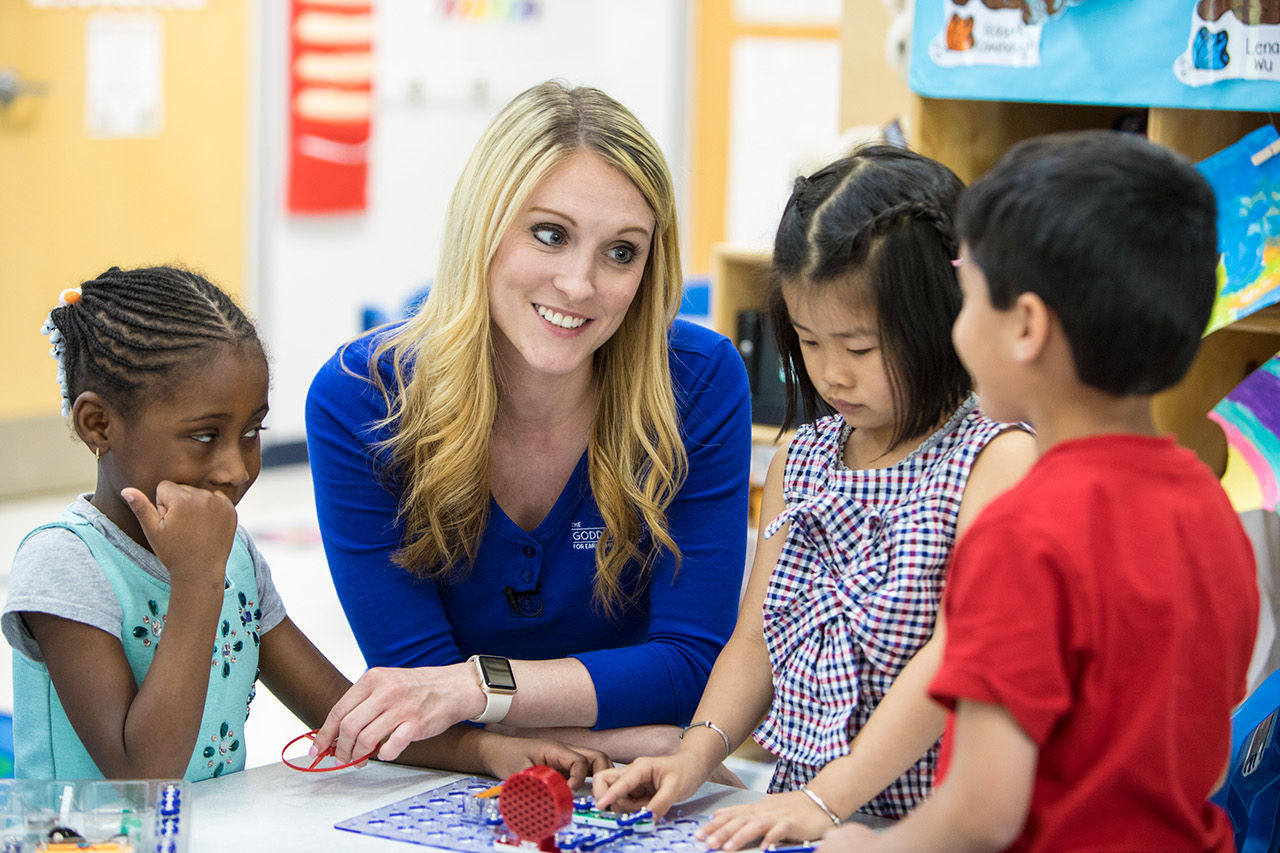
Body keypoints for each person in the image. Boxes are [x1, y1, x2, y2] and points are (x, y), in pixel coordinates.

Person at [821, 131, 1260, 852]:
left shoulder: (1022, 532)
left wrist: (865, 847)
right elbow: (1207, 759)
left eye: (966, 301)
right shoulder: (1210, 505)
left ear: (1026, 325)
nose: (957, 329)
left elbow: (980, 814)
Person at [3, 265, 610, 785]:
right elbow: (143, 775)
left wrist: (488, 751)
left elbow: (340, 713)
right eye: (203, 436)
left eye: (252, 432)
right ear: (98, 426)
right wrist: (195, 581)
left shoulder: (231, 555)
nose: (236, 468)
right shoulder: (66, 563)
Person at [594, 145, 1037, 840]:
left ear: (941, 318)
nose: (832, 375)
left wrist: (826, 799)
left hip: (931, 829)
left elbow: (957, 655)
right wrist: (695, 751)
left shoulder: (997, 457)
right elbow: (753, 640)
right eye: (808, 340)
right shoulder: (800, 458)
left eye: (859, 348)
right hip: (801, 812)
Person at [305, 80, 751, 765]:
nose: (579, 284)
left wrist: (478, 691)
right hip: (510, 779)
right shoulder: (362, 399)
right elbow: (413, 693)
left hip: (628, 793)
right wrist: (622, 734)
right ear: (484, 225)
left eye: (622, 251)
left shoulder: (697, 381)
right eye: (551, 234)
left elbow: (692, 670)